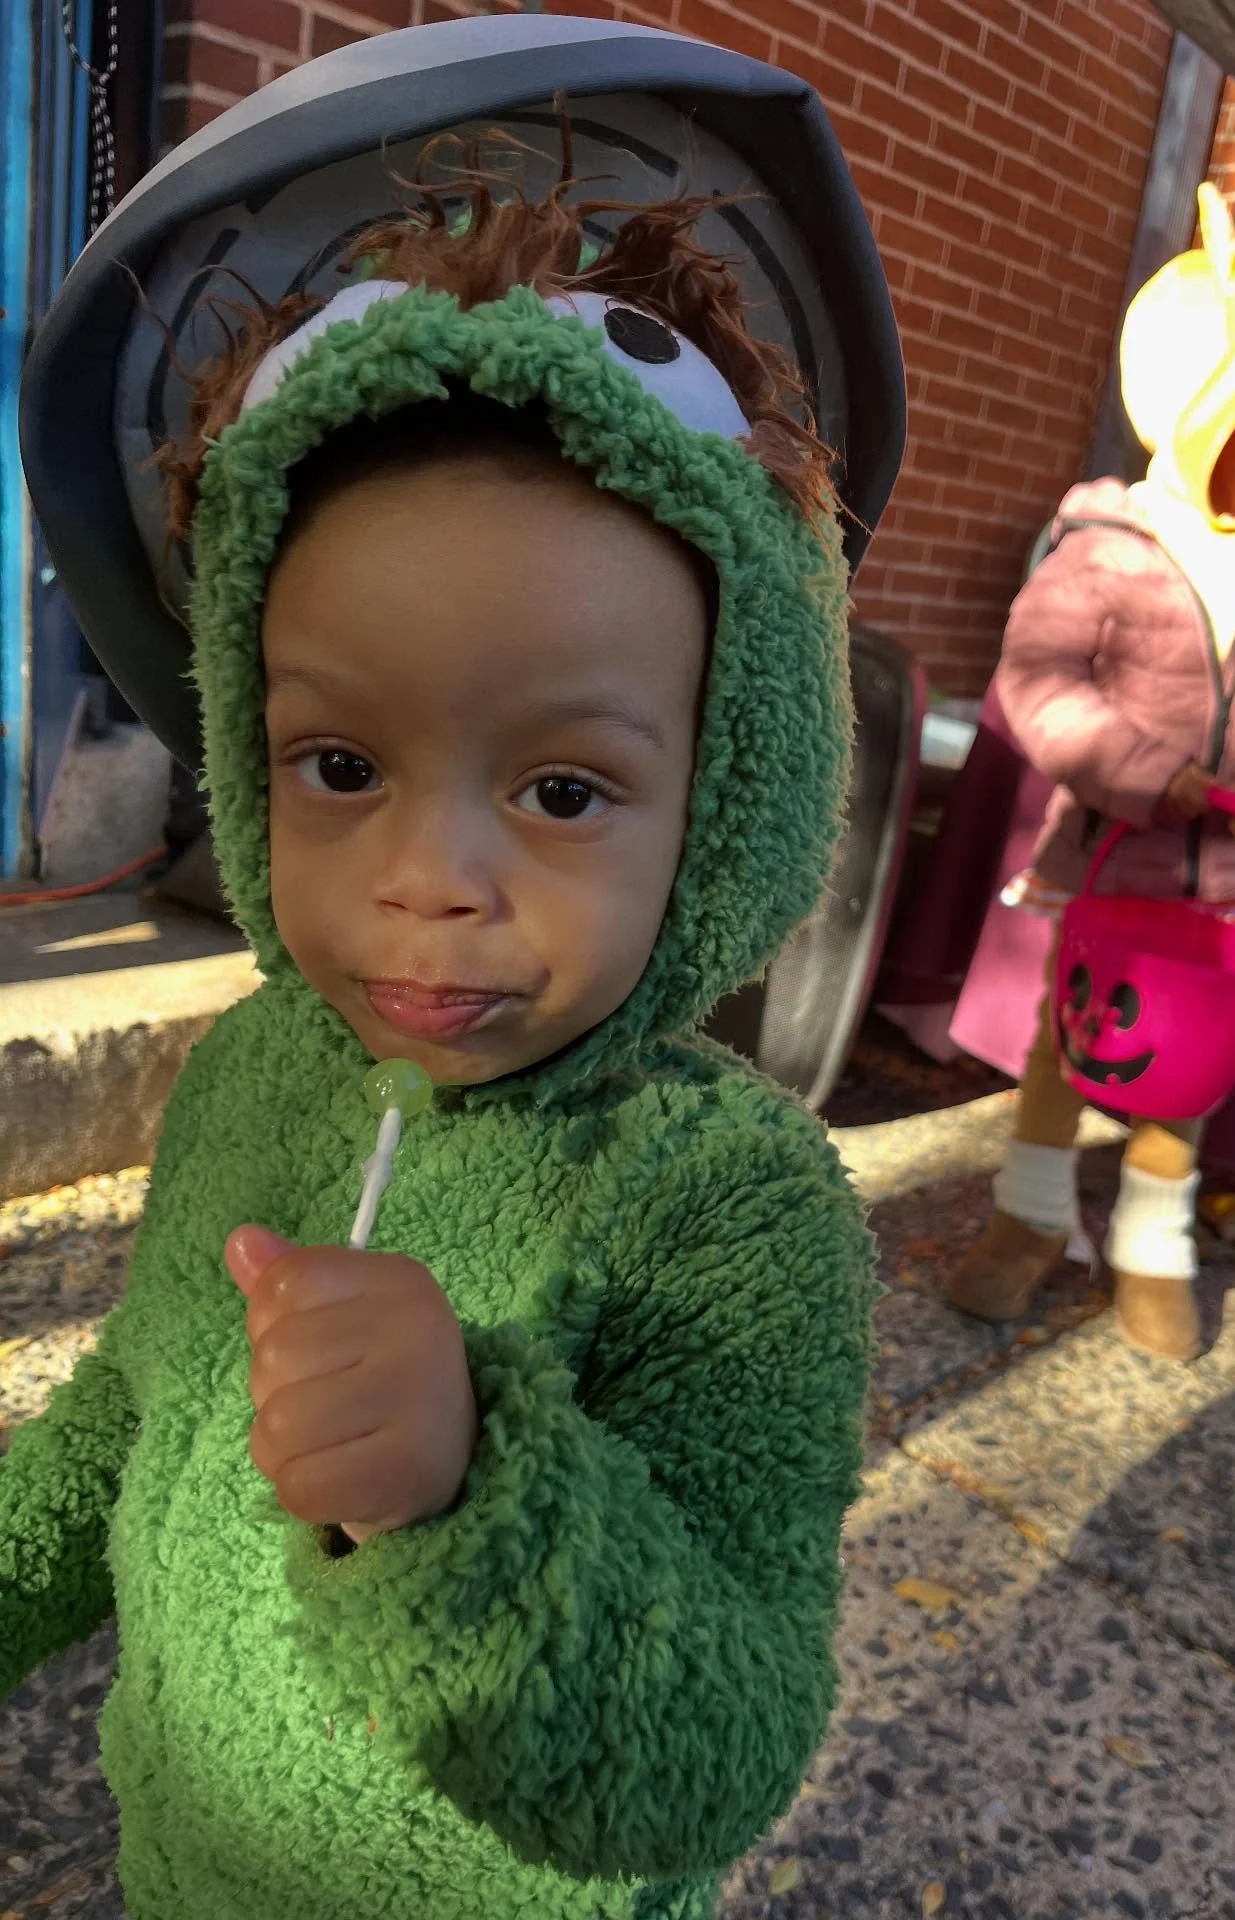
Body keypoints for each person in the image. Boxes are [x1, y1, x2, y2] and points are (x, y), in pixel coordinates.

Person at [0, 148, 879, 1919]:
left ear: (727, 797)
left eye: (562, 787)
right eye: (340, 766)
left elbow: (721, 1741)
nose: (425, 879)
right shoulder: (258, 1070)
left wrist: (462, 1494)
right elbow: (143, 1414)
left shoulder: (734, 1210)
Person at [945, 176, 1235, 1362]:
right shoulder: (1109, 539)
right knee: (1073, 1032)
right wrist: (1144, 774)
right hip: (1114, 852)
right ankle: (1031, 1216)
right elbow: (1043, 680)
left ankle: (1151, 1234)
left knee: (1189, 1064)